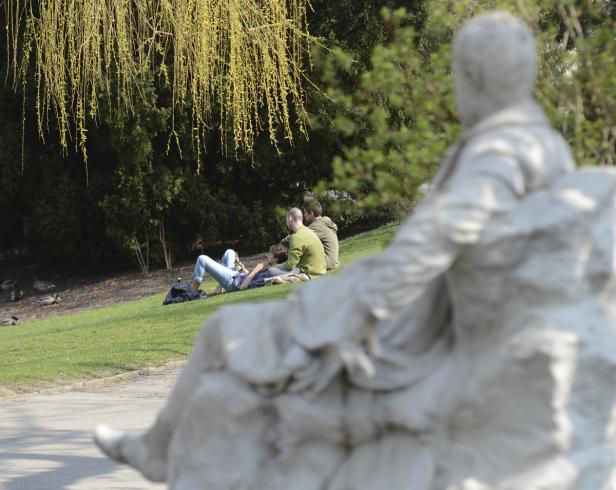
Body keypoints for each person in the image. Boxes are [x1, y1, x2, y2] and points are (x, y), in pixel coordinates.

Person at [94, 13, 593, 488]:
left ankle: (159, 448)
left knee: (225, 330)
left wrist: (354, 315)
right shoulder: (544, 144)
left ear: (474, 78)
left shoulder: (497, 153)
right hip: (441, 315)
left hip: (414, 323)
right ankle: (158, 446)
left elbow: (423, 253)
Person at [191, 245, 287, 294]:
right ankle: (219, 288)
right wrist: (243, 267)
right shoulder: (268, 269)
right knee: (230, 252)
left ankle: (193, 293)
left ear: (275, 259)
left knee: (202, 259)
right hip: (236, 275)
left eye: (271, 255)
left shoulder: (268, 274)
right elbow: (249, 277)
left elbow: (243, 286)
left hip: (232, 282)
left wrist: (258, 268)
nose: (268, 255)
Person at [266, 207, 327, 278]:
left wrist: (275, 266)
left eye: (286, 219)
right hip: (319, 270)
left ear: (290, 218)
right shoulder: (308, 230)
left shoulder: (296, 237)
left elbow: (290, 265)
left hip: (309, 272)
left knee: (270, 271)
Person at [303, 199, 339, 270]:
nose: (304, 215)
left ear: (311, 213)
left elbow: (299, 237)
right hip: (333, 261)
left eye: (305, 212)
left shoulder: (316, 226)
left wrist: (283, 242)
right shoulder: (324, 221)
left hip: (327, 262)